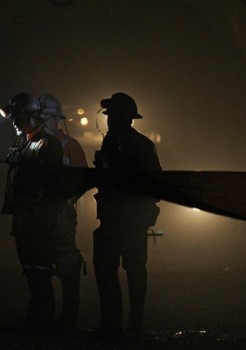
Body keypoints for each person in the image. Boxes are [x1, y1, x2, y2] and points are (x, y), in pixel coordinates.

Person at [92, 92, 162, 337]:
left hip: (128, 219)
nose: (109, 120)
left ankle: (128, 326)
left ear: (126, 118)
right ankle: (117, 324)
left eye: (113, 115)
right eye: (109, 116)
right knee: (115, 270)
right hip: (116, 218)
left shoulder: (136, 144)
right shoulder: (115, 142)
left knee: (130, 270)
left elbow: (155, 182)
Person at [0, 92, 64, 331]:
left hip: (38, 221)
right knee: (31, 269)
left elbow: (49, 186)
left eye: (18, 117)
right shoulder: (28, 142)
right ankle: (36, 318)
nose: (14, 122)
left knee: (39, 270)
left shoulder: (47, 144)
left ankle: (42, 321)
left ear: (32, 117)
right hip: (26, 219)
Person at [38, 94, 88, 330]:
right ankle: (43, 317)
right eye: (40, 116)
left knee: (67, 264)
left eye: (47, 117)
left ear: (56, 119)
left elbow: (82, 181)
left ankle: (68, 319)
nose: (43, 121)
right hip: (38, 215)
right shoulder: (34, 144)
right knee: (39, 265)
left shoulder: (70, 146)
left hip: (60, 215)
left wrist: (64, 201)